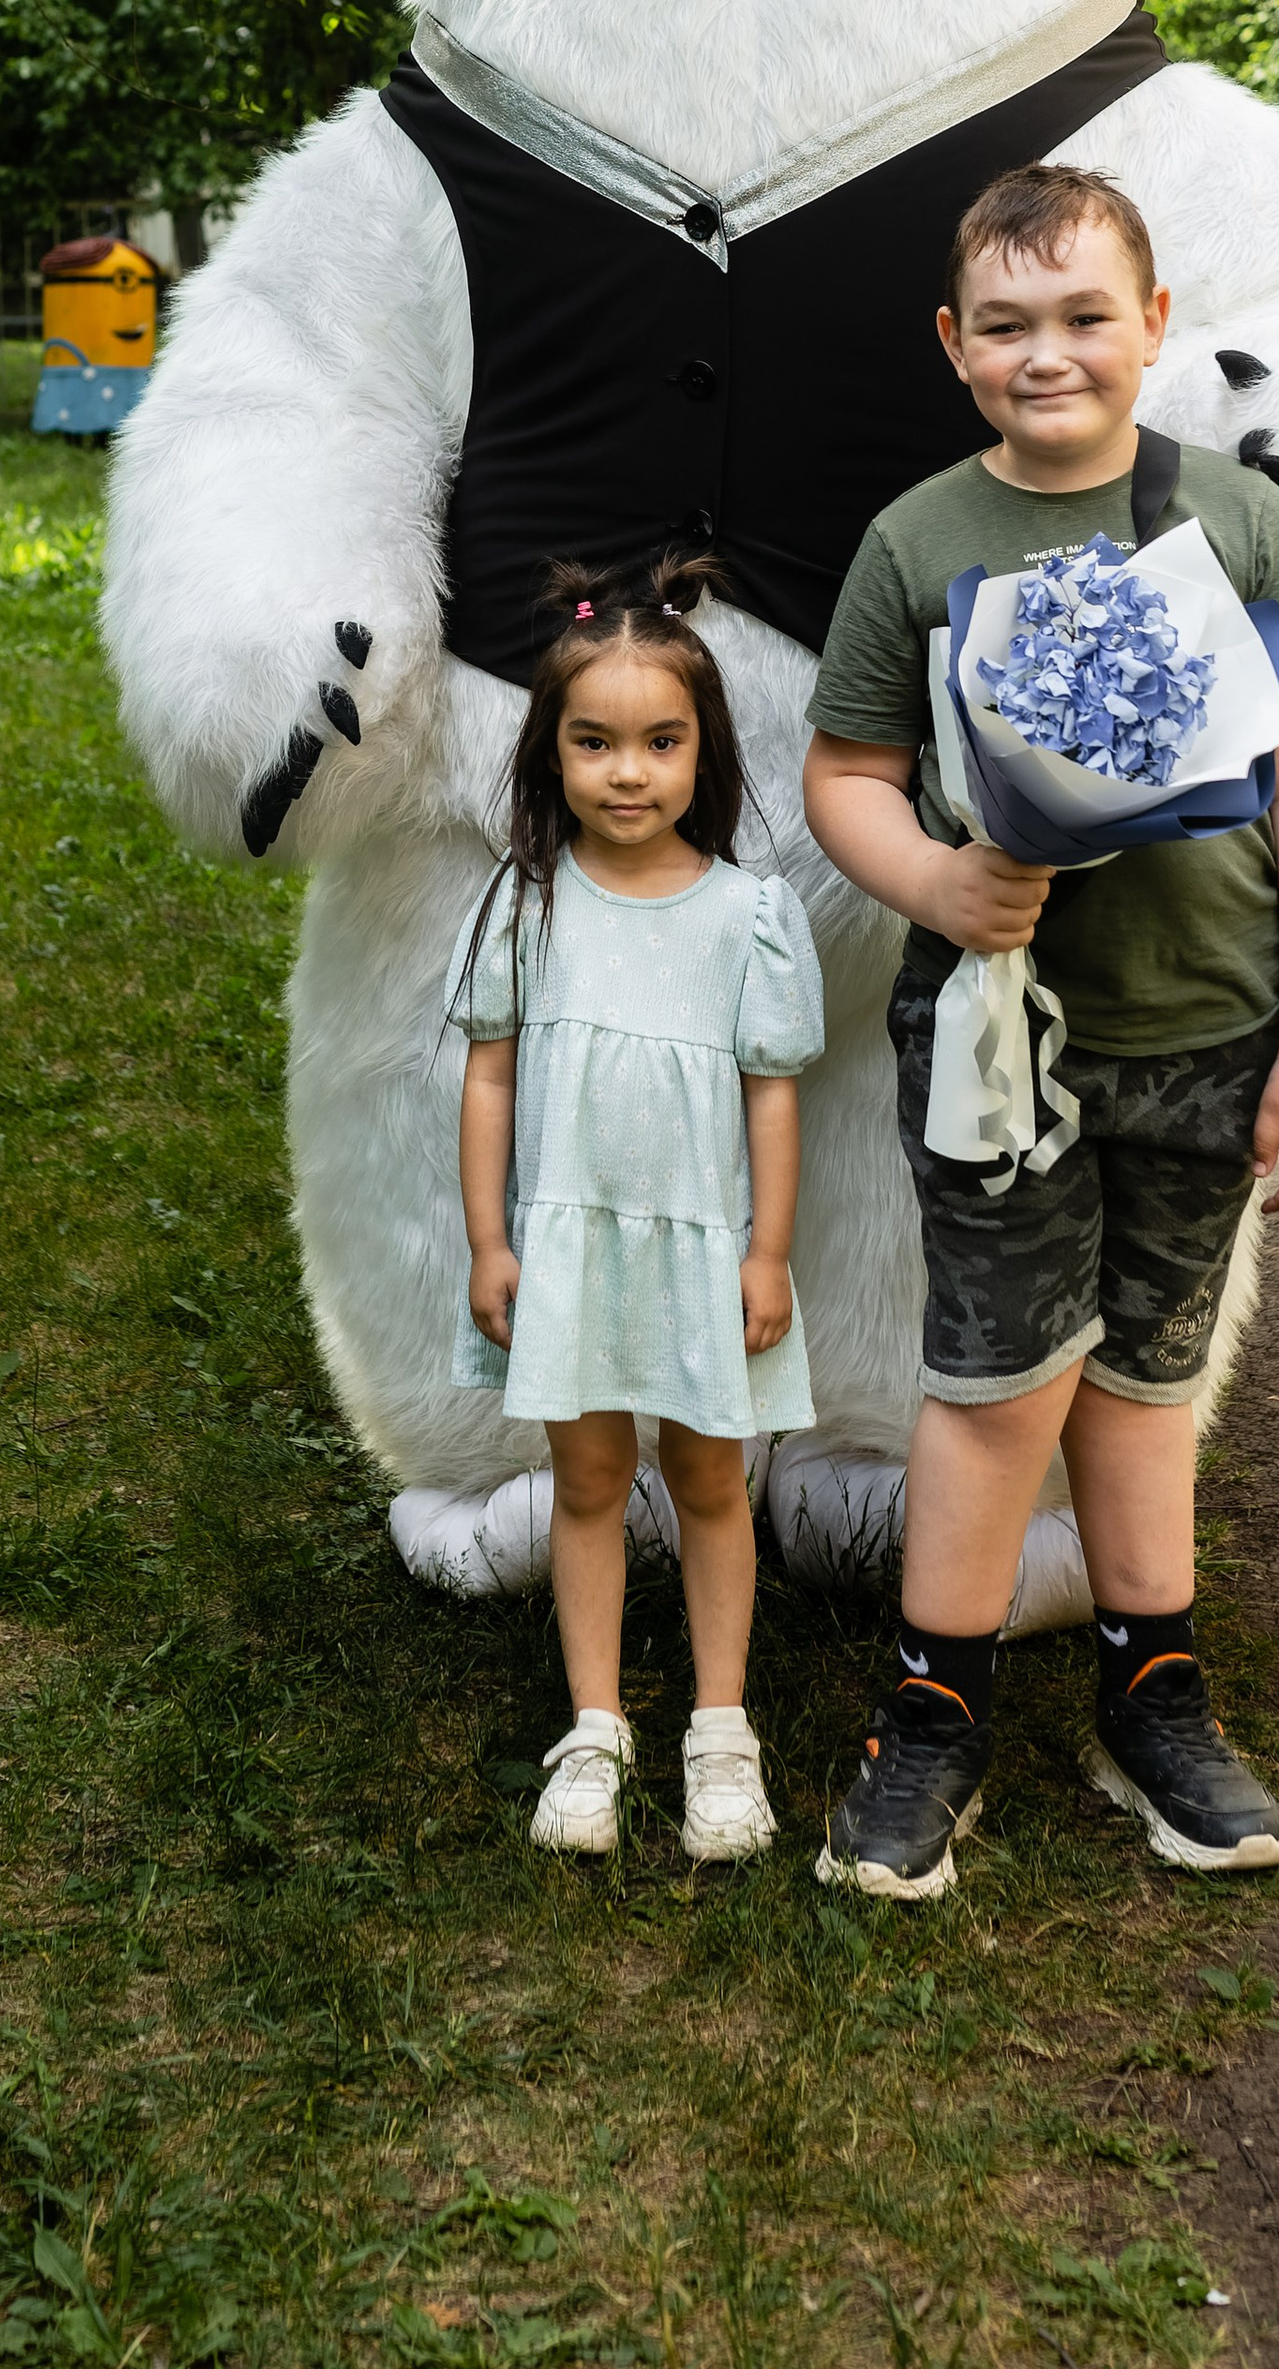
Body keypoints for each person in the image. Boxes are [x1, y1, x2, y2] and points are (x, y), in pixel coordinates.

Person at [802, 161, 1279, 1898]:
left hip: (1211, 1030)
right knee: (995, 1381)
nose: (1046, 353)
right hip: (1002, 1047)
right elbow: (847, 773)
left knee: (1145, 1375)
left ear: (1154, 326)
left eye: (1083, 317)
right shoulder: (918, 541)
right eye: (1006, 326)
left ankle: (1153, 1694)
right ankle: (935, 1709)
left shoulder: (1239, 522)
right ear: (954, 343)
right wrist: (938, 879)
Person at [452, 556, 823, 1861]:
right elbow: (489, 1078)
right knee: (591, 1478)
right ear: (550, 752)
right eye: (594, 742)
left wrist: (768, 1252)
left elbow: (772, 1096)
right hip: (569, 1246)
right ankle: (596, 1727)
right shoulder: (527, 904)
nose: (627, 773)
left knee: (712, 1479)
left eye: (661, 742)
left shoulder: (748, 916)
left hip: (702, 1254)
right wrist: (491, 1240)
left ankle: (722, 1729)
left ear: (703, 749)